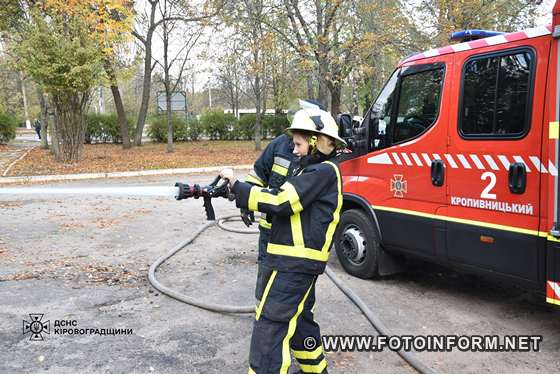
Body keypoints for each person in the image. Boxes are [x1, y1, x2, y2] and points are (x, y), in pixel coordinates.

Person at [220, 102, 346, 374]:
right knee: (298, 320)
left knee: (270, 325)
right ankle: (315, 370)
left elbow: (282, 200)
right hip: (291, 260)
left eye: (299, 144)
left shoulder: (322, 172)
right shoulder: (311, 170)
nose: (293, 149)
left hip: (294, 263)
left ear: (317, 142)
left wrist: (237, 187)